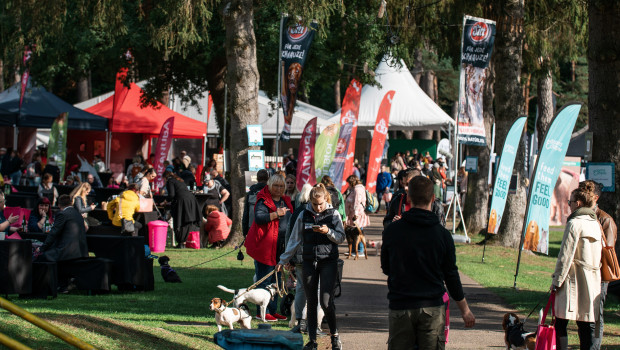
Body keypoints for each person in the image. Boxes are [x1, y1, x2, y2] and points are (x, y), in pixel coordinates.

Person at [381, 176, 475, 349]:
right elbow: (451, 274)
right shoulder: (442, 235)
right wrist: (465, 310)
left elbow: (386, 268)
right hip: (432, 306)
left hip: (401, 304)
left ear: (408, 198)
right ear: (433, 198)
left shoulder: (392, 231)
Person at [277, 183, 345, 350]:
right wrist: (283, 259)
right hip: (308, 261)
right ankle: (312, 340)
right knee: (311, 301)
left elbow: (341, 237)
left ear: (326, 199)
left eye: (320, 204)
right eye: (315, 204)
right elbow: (294, 240)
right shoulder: (304, 214)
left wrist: (328, 231)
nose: (318, 207)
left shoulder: (333, 214)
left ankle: (335, 336)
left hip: (328, 261)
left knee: (325, 301)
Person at [551, 184, 602, 350]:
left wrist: (556, 281)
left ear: (578, 204)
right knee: (585, 325)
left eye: (570, 202)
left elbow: (565, 257)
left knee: (560, 321)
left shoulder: (574, 223)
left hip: (572, 281)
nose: (569, 205)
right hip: (591, 282)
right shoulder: (595, 224)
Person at [244, 174, 292, 322]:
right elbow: (259, 218)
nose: (279, 189)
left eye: (281, 186)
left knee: (276, 280)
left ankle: (272, 310)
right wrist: (276, 214)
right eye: (276, 186)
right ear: (270, 186)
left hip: (279, 247)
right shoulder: (263, 200)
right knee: (264, 279)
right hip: (265, 247)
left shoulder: (285, 201)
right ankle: (261, 312)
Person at [578, 181, 617, 349]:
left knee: (596, 315)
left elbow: (607, 251)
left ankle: (594, 347)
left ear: (595, 197)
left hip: (599, 275)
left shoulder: (605, 219)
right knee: (582, 315)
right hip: (582, 273)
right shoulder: (579, 216)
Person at [285, 183, 313, 333]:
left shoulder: (296, 212)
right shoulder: (313, 211)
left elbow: (289, 236)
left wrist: (289, 257)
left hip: (298, 255)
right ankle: (310, 320)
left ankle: (298, 320)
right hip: (310, 255)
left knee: (301, 288)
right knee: (313, 288)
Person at [36, 194, 88, 263]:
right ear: (71, 203)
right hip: (82, 253)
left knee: (40, 258)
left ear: (59, 205)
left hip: (68, 253)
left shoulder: (63, 214)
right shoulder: (78, 214)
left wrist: (41, 248)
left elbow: (53, 233)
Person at [164, 171, 201, 247]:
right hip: (191, 199)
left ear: (166, 177)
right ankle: (183, 241)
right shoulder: (179, 180)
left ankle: (181, 241)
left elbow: (171, 194)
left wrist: (165, 201)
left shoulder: (170, 181)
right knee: (187, 221)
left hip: (182, 201)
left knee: (179, 221)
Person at [345, 175, 369, 257]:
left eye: (349, 183)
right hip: (356, 213)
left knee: (358, 232)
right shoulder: (357, 188)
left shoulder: (357, 189)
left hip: (357, 213)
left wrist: (355, 214)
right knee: (357, 231)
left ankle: (360, 250)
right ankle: (356, 250)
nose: (348, 184)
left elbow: (356, 202)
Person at [242, 169, 270, 237]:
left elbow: (246, 213)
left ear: (257, 178)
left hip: (252, 226)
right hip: (267, 226)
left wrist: (245, 231)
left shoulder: (251, 192)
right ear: (268, 178)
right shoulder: (271, 192)